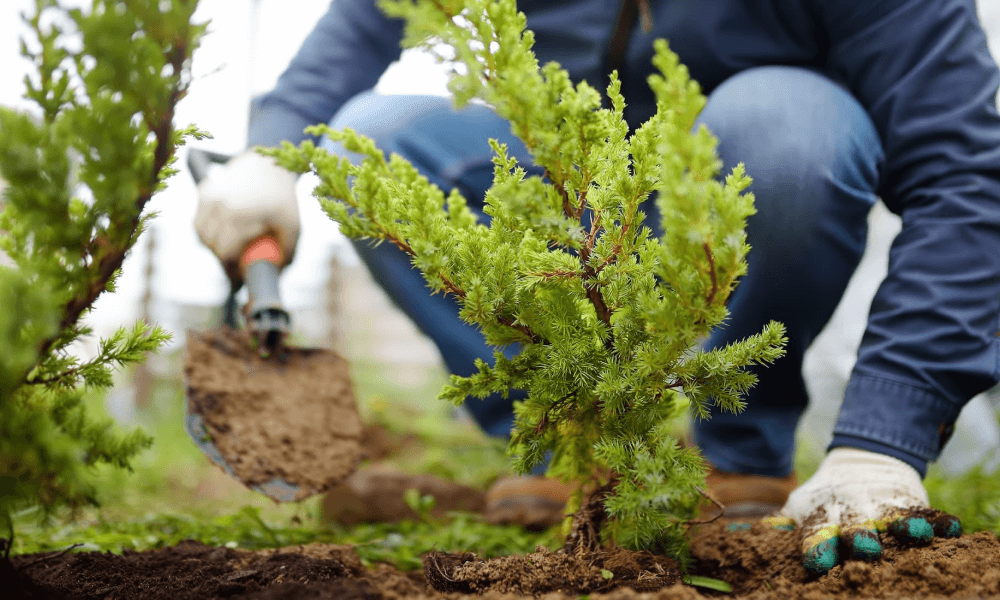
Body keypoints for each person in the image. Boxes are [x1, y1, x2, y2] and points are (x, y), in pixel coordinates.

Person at [194, 0, 1000, 574]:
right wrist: (271, 149)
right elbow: (366, 20)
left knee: (791, 125)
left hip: (740, 196)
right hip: (572, 193)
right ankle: (563, 439)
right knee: (362, 142)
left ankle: (738, 446)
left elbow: (965, 175)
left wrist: (881, 438)